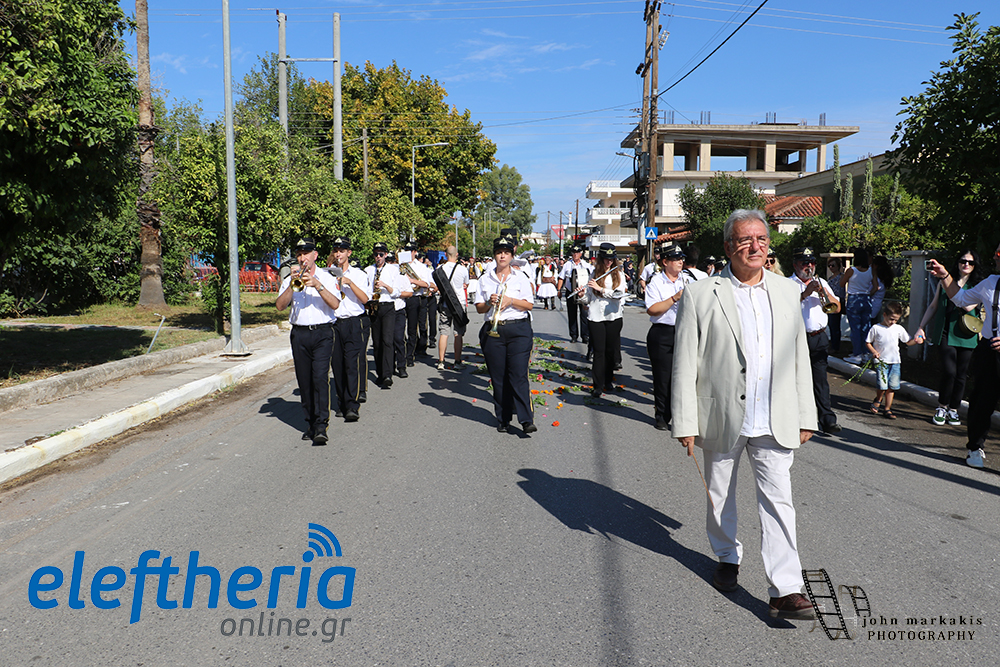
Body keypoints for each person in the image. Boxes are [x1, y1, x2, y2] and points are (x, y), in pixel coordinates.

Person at [671, 209, 818, 620]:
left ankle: (785, 589)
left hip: (775, 415)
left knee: (779, 501)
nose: (755, 247)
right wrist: (684, 420)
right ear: (727, 247)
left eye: (762, 240)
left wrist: (806, 413)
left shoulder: (786, 291)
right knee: (719, 493)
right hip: (721, 413)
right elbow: (684, 362)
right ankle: (727, 557)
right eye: (745, 240)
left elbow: (799, 357)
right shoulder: (702, 293)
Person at [929, 248, 1000, 468]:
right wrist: (944, 276)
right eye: (995, 253)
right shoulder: (990, 283)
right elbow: (960, 299)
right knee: (981, 403)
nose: (994, 256)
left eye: (999, 254)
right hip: (990, 352)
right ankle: (975, 448)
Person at [275, 237, 341, 444]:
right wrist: (291, 285)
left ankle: (321, 425)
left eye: (306, 253)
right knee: (304, 381)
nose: (302, 258)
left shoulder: (327, 276)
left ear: (315, 255)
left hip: (322, 333)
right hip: (300, 334)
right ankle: (310, 423)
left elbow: (335, 304)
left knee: (319, 378)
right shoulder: (290, 278)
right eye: (299, 254)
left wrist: (318, 285)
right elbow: (279, 306)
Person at [476, 233, 536, 434]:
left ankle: (526, 419)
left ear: (512, 256)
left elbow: (529, 304)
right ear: (494, 255)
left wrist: (511, 301)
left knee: (518, 374)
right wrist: (489, 303)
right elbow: (479, 308)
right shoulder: (485, 279)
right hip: (493, 329)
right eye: (499, 252)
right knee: (499, 377)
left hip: (518, 329)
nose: (502, 256)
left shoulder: (520, 277)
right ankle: (503, 418)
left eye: (506, 253)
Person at [916, 250, 984, 426]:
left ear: (975, 265)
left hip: (967, 334)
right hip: (946, 332)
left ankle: (954, 409)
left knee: (961, 374)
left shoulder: (978, 286)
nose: (966, 264)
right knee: (949, 372)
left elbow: (968, 307)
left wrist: (952, 285)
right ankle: (942, 407)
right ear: (958, 262)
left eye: (970, 262)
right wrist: (920, 327)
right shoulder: (944, 282)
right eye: (963, 261)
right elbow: (933, 306)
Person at [791, 247, 842, 435]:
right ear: (795, 264)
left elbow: (837, 308)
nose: (809, 266)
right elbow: (783, 308)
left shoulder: (822, 282)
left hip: (819, 336)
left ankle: (827, 420)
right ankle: (797, 420)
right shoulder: (788, 284)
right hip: (797, 338)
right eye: (805, 263)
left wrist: (823, 292)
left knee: (820, 380)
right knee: (795, 380)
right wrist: (805, 293)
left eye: (812, 262)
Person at [329, 236, 371, 423]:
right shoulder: (328, 274)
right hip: (335, 322)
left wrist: (349, 283)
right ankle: (341, 402)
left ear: (349, 253)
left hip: (353, 322)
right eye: (336, 251)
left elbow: (365, 299)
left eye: (342, 251)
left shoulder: (359, 274)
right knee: (337, 365)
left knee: (351, 364)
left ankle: (352, 405)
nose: (338, 254)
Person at [644, 241, 686, 431]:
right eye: (676, 259)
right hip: (662, 333)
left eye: (681, 258)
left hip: (684, 331)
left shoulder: (687, 279)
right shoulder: (656, 282)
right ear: (665, 262)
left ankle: (680, 415)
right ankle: (662, 415)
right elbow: (653, 309)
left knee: (683, 376)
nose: (680, 262)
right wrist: (674, 298)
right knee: (663, 377)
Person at [579, 243, 627, 398]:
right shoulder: (594, 274)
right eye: (606, 259)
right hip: (596, 317)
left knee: (610, 351)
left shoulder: (619, 275)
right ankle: (597, 385)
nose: (609, 262)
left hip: (613, 316)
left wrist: (601, 289)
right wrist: (581, 296)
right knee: (599, 352)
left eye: (611, 259)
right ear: (600, 259)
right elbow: (589, 298)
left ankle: (608, 380)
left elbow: (619, 295)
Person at [865, 301, 924, 419]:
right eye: (891, 319)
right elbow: (868, 342)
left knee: (892, 386)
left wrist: (916, 341)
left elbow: (907, 341)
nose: (893, 322)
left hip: (895, 361)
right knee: (882, 385)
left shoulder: (898, 329)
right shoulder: (876, 328)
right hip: (881, 361)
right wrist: (874, 352)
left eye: (896, 320)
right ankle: (878, 399)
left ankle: (887, 408)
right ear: (884, 315)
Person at [365, 242, 401, 389]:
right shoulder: (368, 270)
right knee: (377, 342)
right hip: (375, 307)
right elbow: (366, 290)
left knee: (387, 340)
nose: (378, 257)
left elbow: (397, 292)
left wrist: (385, 285)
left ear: (386, 255)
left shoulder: (393, 270)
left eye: (381, 254)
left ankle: (387, 374)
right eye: (376, 254)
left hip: (388, 306)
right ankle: (380, 374)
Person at [841, 248, 879, 364]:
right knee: (865, 327)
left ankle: (857, 354)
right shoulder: (871, 270)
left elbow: (842, 283)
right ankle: (866, 353)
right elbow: (876, 287)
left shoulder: (851, 270)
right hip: (866, 299)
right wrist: (868, 294)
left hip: (854, 299)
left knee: (855, 328)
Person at [435, 245, 470, 370]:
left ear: (445, 254)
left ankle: (441, 361)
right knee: (458, 333)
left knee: (444, 332)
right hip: (459, 303)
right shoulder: (462, 269)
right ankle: (457, 361)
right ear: (457, 255)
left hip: (445, 303)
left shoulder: (440, 269)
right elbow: (466, 284)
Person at [556, 243, 592, 346]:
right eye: (574, 252)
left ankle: (585, 336)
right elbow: (561, 278)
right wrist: (559, 290)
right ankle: (574, 335)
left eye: (577, 252)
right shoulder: (567, 265)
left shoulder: (586, 265)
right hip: (570, 291)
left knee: (584, 314)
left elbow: (592, 276)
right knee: (572, 314)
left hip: (583, 292)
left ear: (581, 254)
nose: (575, 254)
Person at [388, 253, 413, 379]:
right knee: (388, 340)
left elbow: (409, 292)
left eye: (391, 261)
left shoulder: (401, 276)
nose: (390, 264)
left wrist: (396, 293)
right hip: (386, 311)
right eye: (388, 261)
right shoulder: (381, 276)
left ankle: (401, 366)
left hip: (398, 310)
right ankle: (389, 366)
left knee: (398, 338)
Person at [826, 257, 846, 354]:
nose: (831, 267)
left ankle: (835, 346)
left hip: (838, 301)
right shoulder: (830, 278)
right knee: (831, 324)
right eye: (829, 266)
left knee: (835, 325)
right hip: (830, 302)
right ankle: (833, 344)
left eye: (833, 265)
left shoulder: (842, 276)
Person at [870, 255, 894, 326]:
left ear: (876, 266)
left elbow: (874, 289)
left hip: (872, 305)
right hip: (877, 304)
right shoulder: (883, 279)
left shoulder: (877, 279)